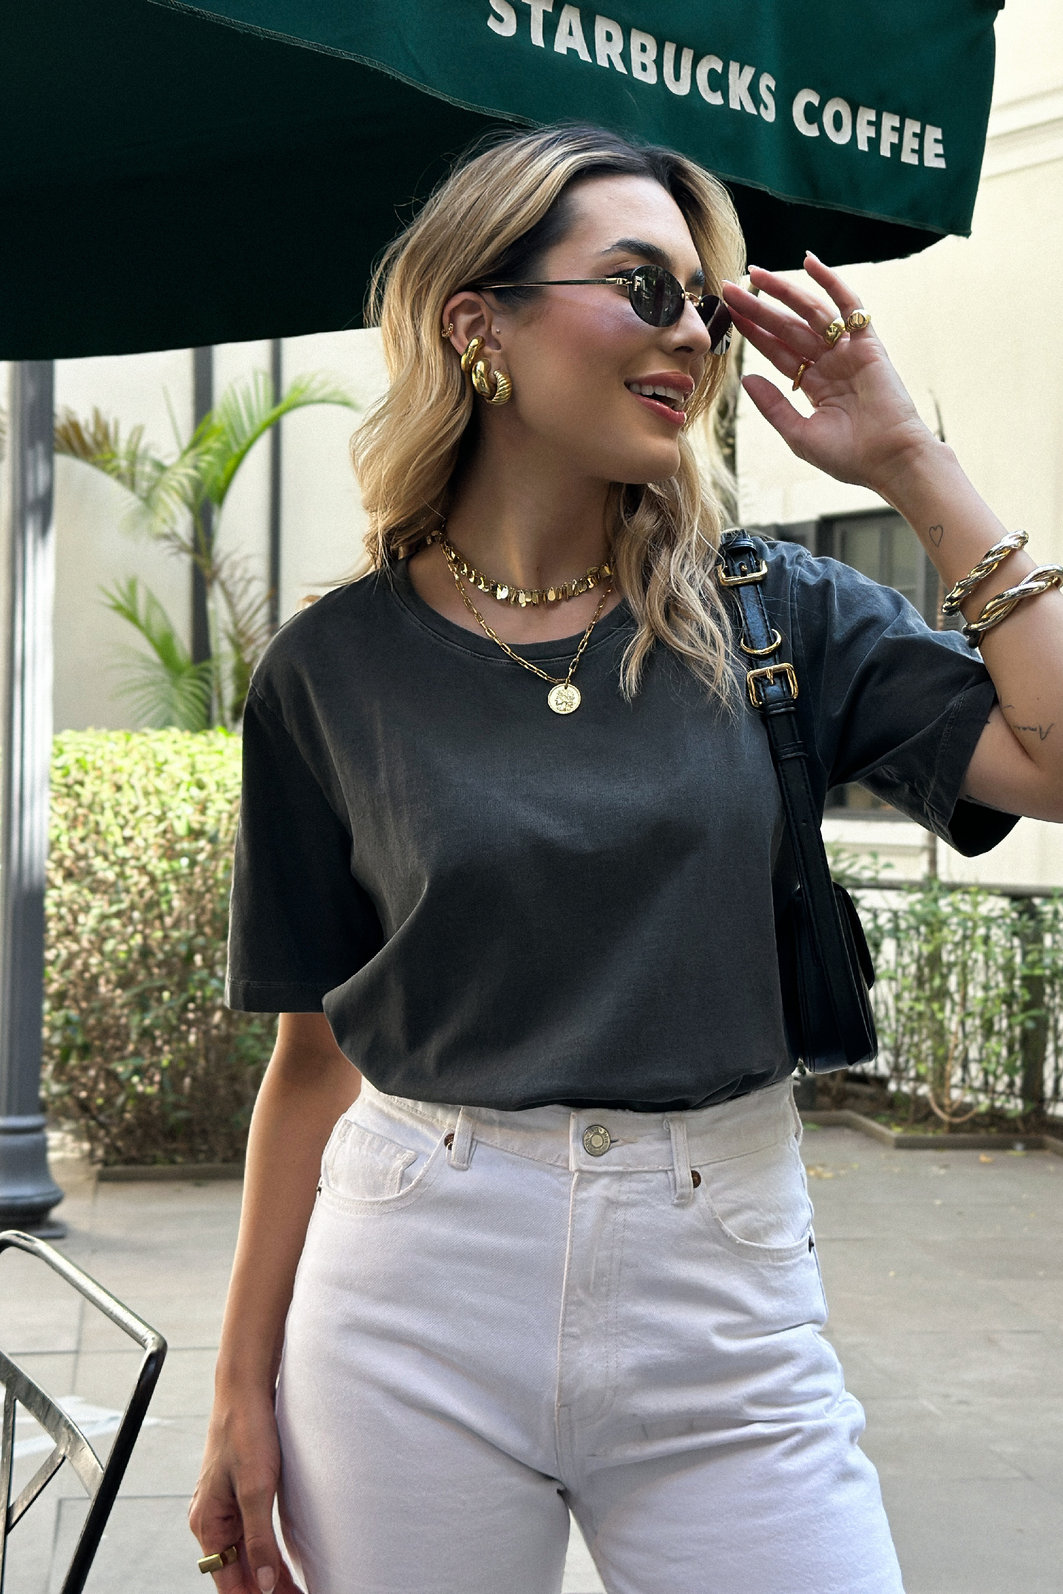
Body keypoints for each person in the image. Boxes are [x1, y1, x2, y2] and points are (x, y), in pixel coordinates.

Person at [189, 125, 1063, 1594]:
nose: (695, 336)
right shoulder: (330, 671)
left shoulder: (775, 614)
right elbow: (312, 1055)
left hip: (722, 1284)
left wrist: (910, 459)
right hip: (411, 1284)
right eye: (647, 287)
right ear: (479, 323)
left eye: (705, 305)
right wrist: (238, 1389)